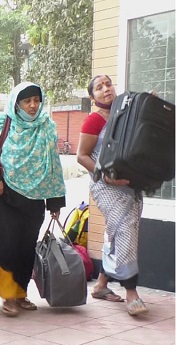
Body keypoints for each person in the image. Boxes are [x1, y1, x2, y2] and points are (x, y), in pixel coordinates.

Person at [0, 82, 66, 317]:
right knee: (4, 247)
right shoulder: (1, 122)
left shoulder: (46, 127)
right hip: (5, 194)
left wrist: (54, 202)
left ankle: (21, 293)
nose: (33, 105)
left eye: (36, 100)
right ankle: (8, 295)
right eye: (27, 101)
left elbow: (54, 164)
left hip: (34, 200)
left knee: (25, 249)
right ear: (16, 103)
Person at [76, 74, 147, 315]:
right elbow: (81, 156)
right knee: (125, 227)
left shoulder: (123, 115)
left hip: (130, 184)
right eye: (99, 87)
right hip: (105, 185)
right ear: (92, 96)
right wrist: (105, 175)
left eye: (108, 84)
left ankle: (101, 284)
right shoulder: (94, 120)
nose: (106, 89)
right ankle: (131, 291)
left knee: (119, 230)